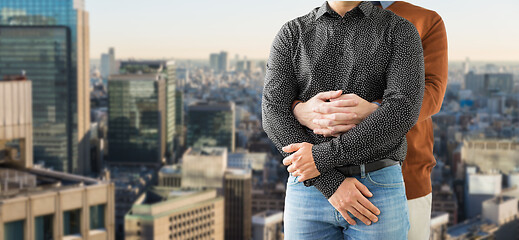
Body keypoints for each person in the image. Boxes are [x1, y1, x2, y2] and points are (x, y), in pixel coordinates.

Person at [261, 1, 424, 239]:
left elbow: (403, 110)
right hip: (308, 186)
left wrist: (320, 159)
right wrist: (330, 183)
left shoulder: (399, 30)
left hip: (375, 186)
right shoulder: (292, 33)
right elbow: (273, 112)